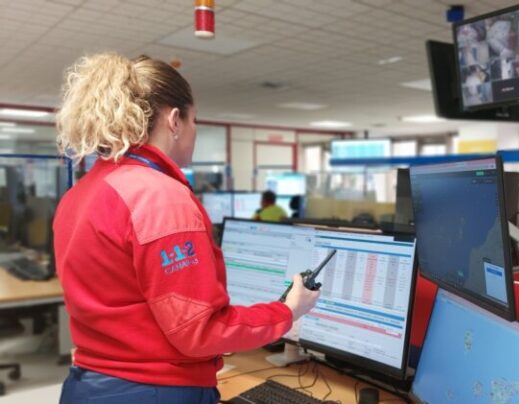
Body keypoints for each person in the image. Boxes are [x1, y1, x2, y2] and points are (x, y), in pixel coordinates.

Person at [53, 53, 320, 404]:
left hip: (89, 384)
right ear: (175, 119)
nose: (195, 131)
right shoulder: (159, 196)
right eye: (196, 120)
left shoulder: (81, 192)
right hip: (153, 391)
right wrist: (287, 311)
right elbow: (199, 331)